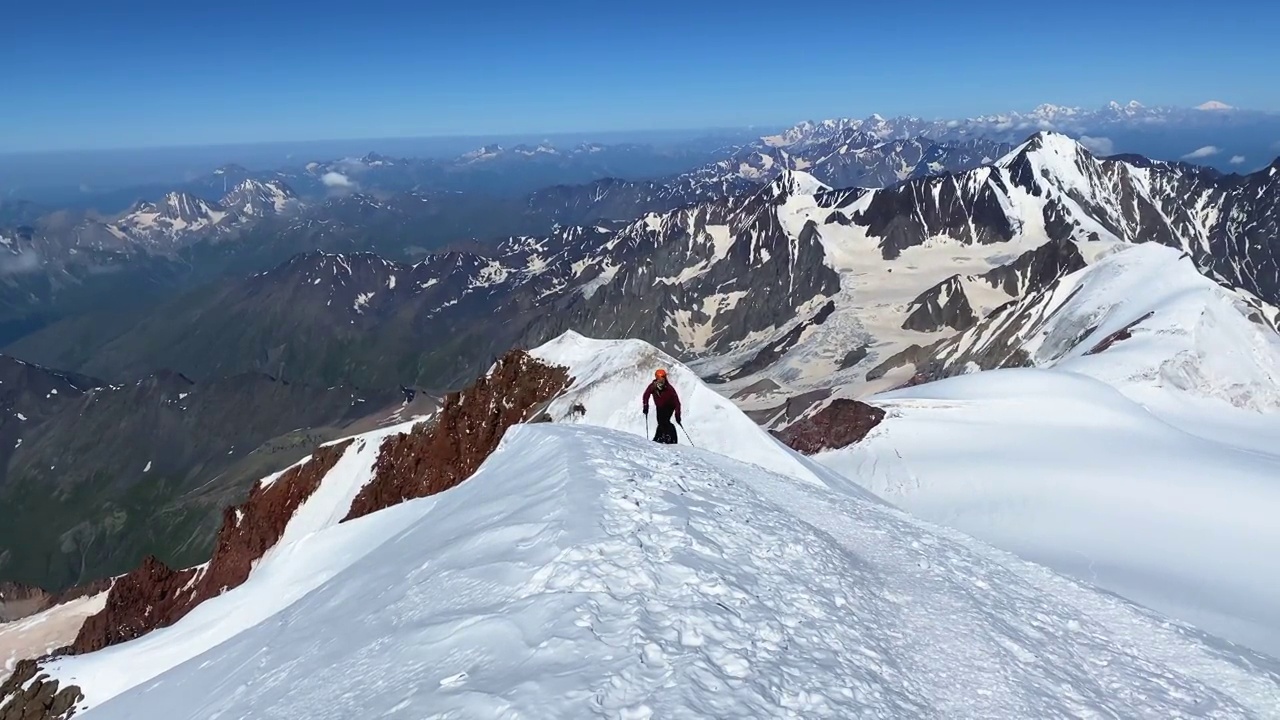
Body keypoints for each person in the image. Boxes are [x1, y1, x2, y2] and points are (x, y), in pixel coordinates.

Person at [641, 368, 682, 444]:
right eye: (659, 378)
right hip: (660, 406)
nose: (661, 380)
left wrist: (677, 415)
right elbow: (646, 395)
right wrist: (645, 406)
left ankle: (664, 437)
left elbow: (677, 403)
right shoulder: (653, 387)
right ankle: (663, 437)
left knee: (664, 421)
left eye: (662, 377)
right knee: (661, 421)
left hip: (669, 406)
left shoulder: (669, 389)